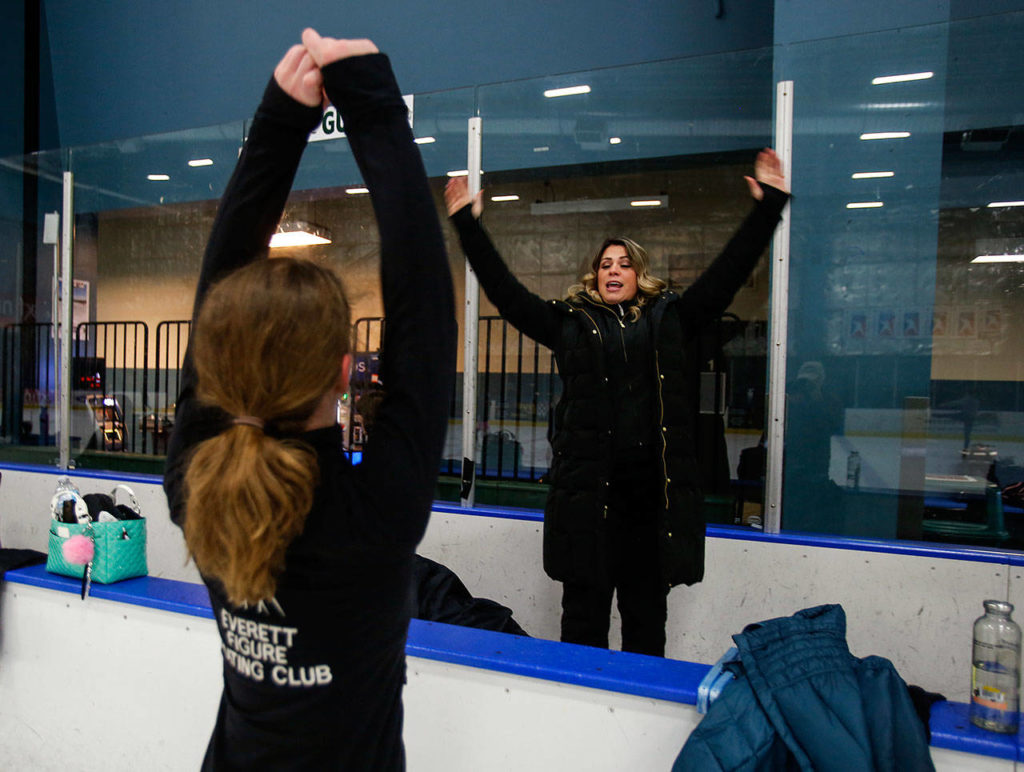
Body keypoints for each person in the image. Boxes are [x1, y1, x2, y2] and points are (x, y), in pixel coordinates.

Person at [163, 30, 456, 769]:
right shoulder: (375, 503)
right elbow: (422, 301)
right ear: (343, 370)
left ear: (215, 362)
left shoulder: (199, 483)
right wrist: (353, 107)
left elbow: (423, 316)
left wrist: (291, 120)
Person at [445, 152, 788, 657]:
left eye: (624, 263)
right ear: (594, 277)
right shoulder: (570, 324)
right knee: (581, 629)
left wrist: (769, 206)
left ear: (640, 276)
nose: (614, 269)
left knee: (646, 631)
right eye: (605, 263)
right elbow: (507, 295)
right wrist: (467, 227)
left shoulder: (671, 319)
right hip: (588, 509)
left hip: (651, 511)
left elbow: (727, 276)